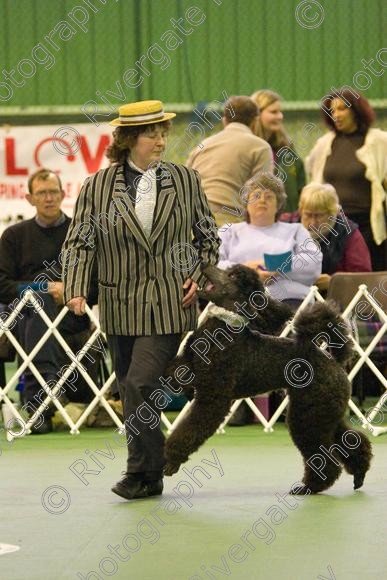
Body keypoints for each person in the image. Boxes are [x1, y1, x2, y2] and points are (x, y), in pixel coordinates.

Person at [62, 99, 220, 501]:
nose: (161, 140)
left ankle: (143, 470)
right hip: (119, 303)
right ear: (129, 138)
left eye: (164, 132)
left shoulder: (186, 180)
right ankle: (151, 470)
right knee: (132, 387)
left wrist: (198, 274)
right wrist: (77, 284)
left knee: (141, 381)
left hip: (171, 301)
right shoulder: (97, 185)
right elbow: (80, 240)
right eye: (152, 133)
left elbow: (208, 238)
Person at [0, 168, 97, 434]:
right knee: (38, 301)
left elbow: (98, 283)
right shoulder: (13, 236)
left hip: (71, 314)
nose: (49, 198)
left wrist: (71, 290)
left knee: (42, 308)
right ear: (30, 199)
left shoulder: (81, 234)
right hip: (22, 317)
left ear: (64, 194)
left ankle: (38, 403)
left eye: (53, 192)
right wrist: (44, 287)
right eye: (42, 193)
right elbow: (2, 286)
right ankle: (40, 401)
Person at [306, 87, 387, 271]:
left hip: (367, 228)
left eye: (342, 109)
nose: (337, 115)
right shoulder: (324, 143)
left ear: (357, 110)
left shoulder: (380, 141)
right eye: (332, 110)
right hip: (332, 228)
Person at [218, 173, 322, 308]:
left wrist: (272, 264)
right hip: (238, 302)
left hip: (289, 301)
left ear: (278, 205)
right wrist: (246, 271)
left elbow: (313, 264)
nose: (262, 200)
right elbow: (213, 264)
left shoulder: (296, 230)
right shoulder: (228, 231)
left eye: (269, 197)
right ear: (246, 202)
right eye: (256, 195)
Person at [186, 95, 273, 226]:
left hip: (192, 221)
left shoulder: (202, 146)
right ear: (255, 121)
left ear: (224, 121)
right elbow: (262, 192)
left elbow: (184, 183)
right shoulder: (260, 147)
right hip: (229, 222)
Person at [280, 182, 372, 292]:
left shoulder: (348, 233)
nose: (313, 223)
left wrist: (334, 282)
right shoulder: (286, 225)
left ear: (332, 213)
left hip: (334, 300)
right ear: (300, 211)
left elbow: (363, 278)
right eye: (308, 215)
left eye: (319, 215)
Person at [251, 89, 306, 212]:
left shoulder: (286, 147)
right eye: (273, 112)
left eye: (280, 112)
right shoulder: (248, 147)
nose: (280, 116)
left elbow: (300, 182)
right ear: (257, 114)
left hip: (288, 218)